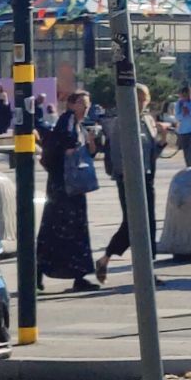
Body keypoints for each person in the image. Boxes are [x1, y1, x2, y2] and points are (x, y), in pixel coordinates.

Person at [97, 83, 163, 285]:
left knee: (148, 223)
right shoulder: (122, 121)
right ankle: (109, 258)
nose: (141, 102)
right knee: (133, 222)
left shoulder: (148, 120)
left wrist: (161, 139)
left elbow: (152, 152)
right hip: (129, 179)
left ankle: (145, 267)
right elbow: (116, 150)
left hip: (147, 176)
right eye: (138, 98)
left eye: (144, 98)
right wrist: (123, 172)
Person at [37, 91, 99, 292]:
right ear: (72, 104)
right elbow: (62, 145)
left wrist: (90, 143)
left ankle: (76, 275)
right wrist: (71, 148)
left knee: (66, 231)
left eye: (87, 104)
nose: (86, 107)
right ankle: (41, 270)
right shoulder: (67, 121)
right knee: (61, 230)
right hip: (64, 187)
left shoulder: (77, 124)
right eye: (82, 103)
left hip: (70, 187)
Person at [171, 85, 191, 168]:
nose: (184, 98)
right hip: (183, 130)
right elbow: (177, 117)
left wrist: (190, 112)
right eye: (182, 96)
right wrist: (183, 114)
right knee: (185, 151)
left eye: (186, 96)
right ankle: (188, 167)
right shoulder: (179, 103)